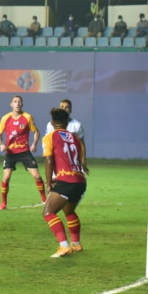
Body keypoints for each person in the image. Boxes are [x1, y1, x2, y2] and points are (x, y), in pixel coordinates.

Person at [41, 108, 87, 258]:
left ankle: (64, 246)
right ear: (67, 122)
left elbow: (48, 160)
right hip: (80, 181)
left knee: (48, 212)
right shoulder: (74, 138)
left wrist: (48, 183)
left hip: (66, 181)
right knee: (69, 211)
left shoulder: (49, 137)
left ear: (52, 122)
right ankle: (76, 244)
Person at [0, 95, 46, 210]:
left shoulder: (27, 117)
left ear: (22, 104)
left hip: (24, 152)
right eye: (15, 102)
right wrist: (1, 144)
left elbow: (36, 131)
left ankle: (44, 200)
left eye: (19, 102)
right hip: (10, 153)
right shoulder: (5, 118)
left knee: (37, 176)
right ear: (11, 104)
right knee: (6, 177)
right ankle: (3, 204)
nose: (17, 104)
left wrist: (34, 144)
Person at [44, 99, 89, 174]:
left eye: (66, 107)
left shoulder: (76, 125)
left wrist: (83, 160)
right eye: (62, 107)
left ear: (70, 110)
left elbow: (81, 144)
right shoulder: (50, 125)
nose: (64, 109)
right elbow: (48, 144)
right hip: (58, 162)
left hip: (73, 162)